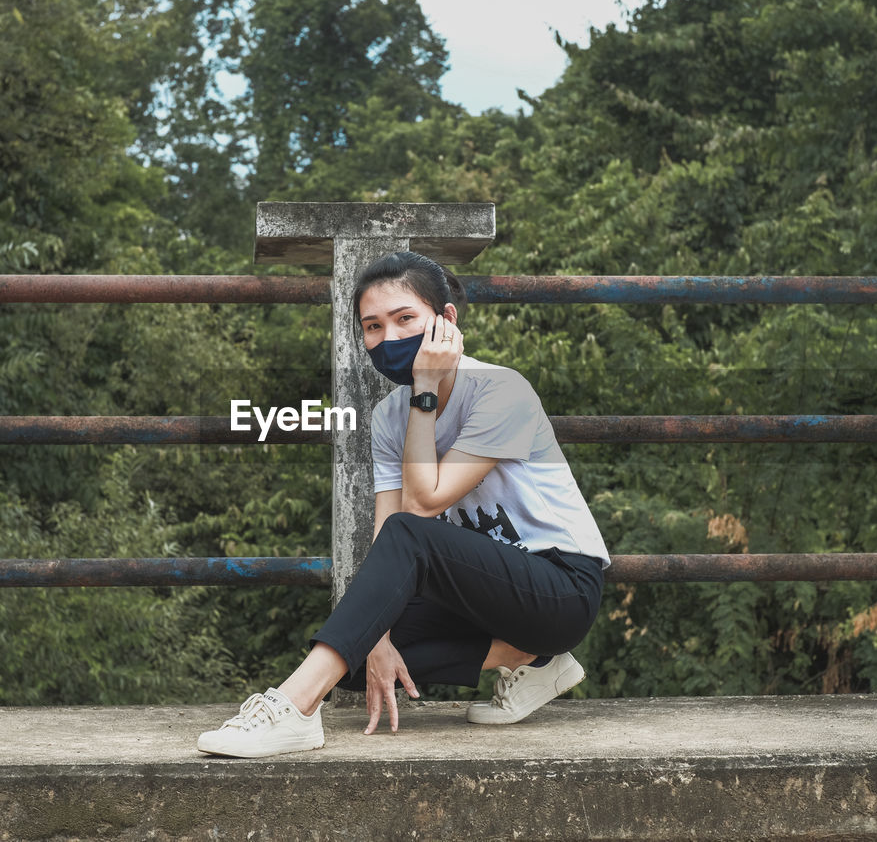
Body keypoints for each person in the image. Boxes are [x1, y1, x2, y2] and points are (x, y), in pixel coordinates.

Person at [197, 251, 609, 758]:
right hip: (479, 595)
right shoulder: (388, 416)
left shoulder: (502, 390)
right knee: (353, 654)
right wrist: (377, 636)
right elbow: (388, 530)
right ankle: (530, 659)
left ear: (447, 321)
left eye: (405, 319)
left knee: (366, 618)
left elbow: (420, 505)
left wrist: (426, 390)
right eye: (372, 326)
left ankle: (294, 708)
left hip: (560, 587)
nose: (388, 338)